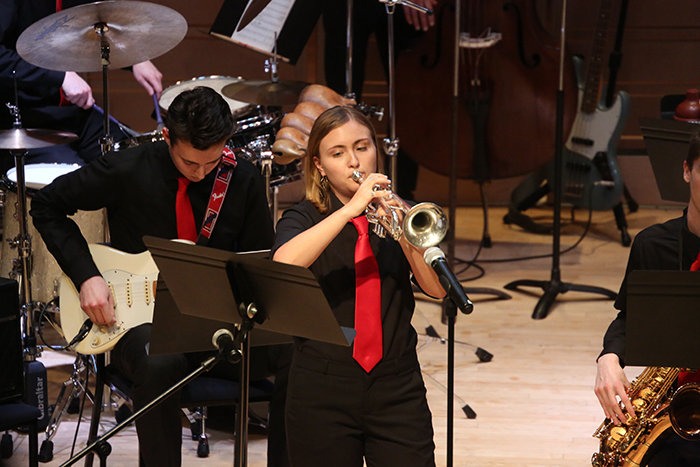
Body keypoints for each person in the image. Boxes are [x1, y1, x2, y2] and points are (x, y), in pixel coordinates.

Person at [30, 86, 290, 467]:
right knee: (159, 361)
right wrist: (87, 276)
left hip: (214, 327)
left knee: (298, 351)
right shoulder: (128, 167)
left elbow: (257, 265)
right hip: (137, 325)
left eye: (212, 162)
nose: (202, 173)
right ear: (167, 137)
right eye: (190, 163)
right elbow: (47, 205)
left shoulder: (243, 179)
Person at [271, 106, 445, 467]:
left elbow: (438, 289)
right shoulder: (304, 218)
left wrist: (401, 230)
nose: (354, 162)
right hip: (321, 387)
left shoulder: (405, 215)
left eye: (362, 147)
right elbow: (283, 265)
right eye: (338, 153)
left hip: (397, 386)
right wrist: (349, 211)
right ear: (319, 165)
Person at [594, 131, 700, 466]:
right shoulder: (653, 245)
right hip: (678, 406)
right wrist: (608, 359)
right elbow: (630, 318)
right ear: (686, 170)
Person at [0, 0, 163, 171]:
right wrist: (60, 76)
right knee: (71, 180)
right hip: (24, 118)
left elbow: (92, 32)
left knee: (135, 159)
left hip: (73, 113)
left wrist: (135, 59)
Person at [322, 0, 438, 201]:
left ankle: (402, 201)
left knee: (410, 99)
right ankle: (341, 197)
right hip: (346, 6)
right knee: (340, 102)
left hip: (402, 6)